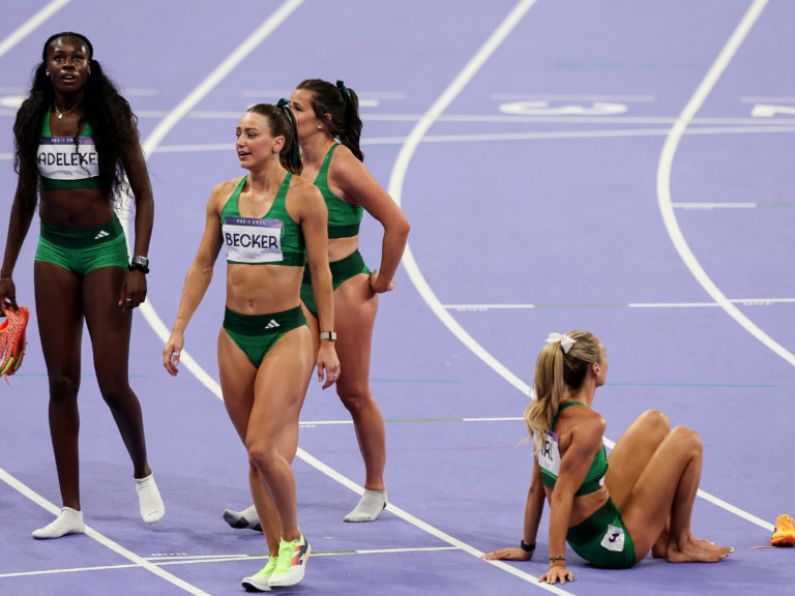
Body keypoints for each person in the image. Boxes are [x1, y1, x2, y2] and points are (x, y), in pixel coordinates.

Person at [162, 102, 339, 590]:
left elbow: (321, 273)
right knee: (255, 455)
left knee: (264, 445)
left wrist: (328, 340)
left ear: (278, 143)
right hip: (234, 335)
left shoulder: (304, 198)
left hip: (286, 333)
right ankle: (275, 556)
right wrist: (178, 328)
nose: (241, 141)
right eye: (237, 132)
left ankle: (295, 541)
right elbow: (202, 265)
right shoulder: (223, 196)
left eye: (252, 134)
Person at [223, 79, 410, 530]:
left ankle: (375, 487)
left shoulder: (340, 163)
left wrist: (381, 280)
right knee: (285, 400)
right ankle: (267, 488)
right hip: (297, 287)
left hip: (345, 285)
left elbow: (397, 224)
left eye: (297, 106)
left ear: (323, 120)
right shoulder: (286, 159)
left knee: (354, 392)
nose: (289, 109)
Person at [0, 32, 163, 539]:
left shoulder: (112, 118)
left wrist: (139, 264)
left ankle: (142, 471)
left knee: (112, 383)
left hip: (103, 252)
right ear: (46, 65)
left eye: (77, 58)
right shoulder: (33, 119)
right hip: (53, 252)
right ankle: (71, 508)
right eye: (59, 57)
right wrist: (5, 268)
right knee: (60, 383)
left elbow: (144, 195)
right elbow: (26, 197)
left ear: (89, 67)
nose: (68, 65)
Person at [483, 331, 732, 584]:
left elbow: (536, 489)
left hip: (587, 526)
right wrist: (557, 561)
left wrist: (527, 547)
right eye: (606, 355)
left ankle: (663, 538)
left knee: (655, 421)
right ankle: (681, 544)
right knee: (687, 441)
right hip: (611, 546)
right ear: (595, 368)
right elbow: (559, 495)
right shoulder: (589, 425)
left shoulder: (548, 411)